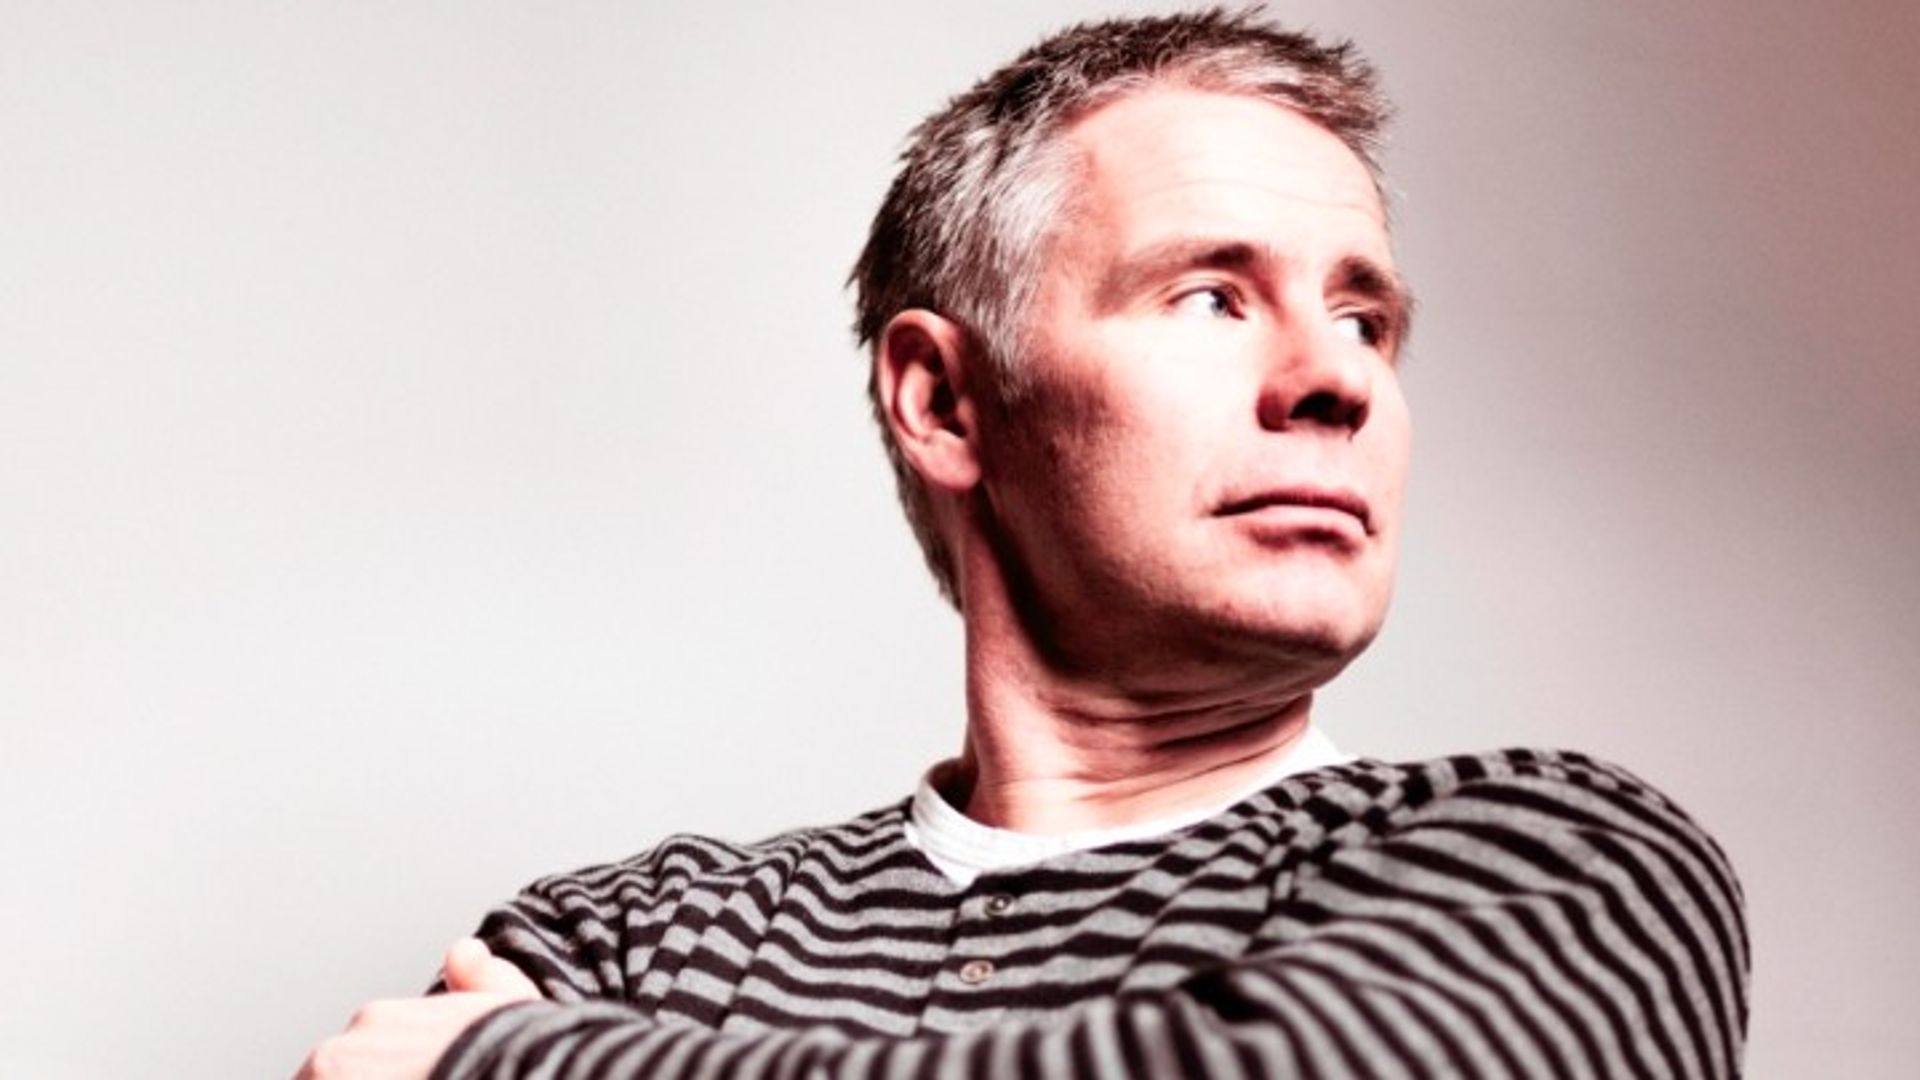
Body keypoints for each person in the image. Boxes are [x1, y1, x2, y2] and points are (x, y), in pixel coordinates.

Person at [297, 9, 1748, 1078]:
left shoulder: (1563, 865)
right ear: (944, 401)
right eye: (1211, 296)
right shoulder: (641, 937)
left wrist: (518, 1062)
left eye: (1367, 319)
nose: (1338, 379)